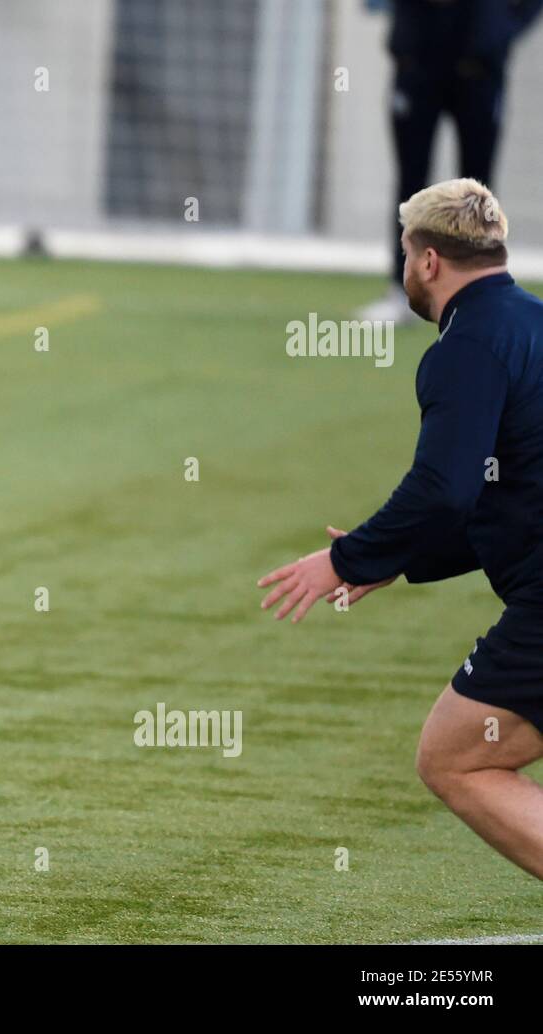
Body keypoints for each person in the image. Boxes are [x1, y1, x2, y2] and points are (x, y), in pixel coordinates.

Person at [260, 178, 543, 880]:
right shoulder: (533, 324)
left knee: (455, 756)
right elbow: (503, 491)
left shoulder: (466, 347)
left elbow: (444, 490)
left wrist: (346, 558)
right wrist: (398, 558)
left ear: (425, 262)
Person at [358, 0, 541, 324]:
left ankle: (479, 299)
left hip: (479, 65)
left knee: (478, 191)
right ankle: (403, 293)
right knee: (410, 183)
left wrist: (501, 28)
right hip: (417, 59)